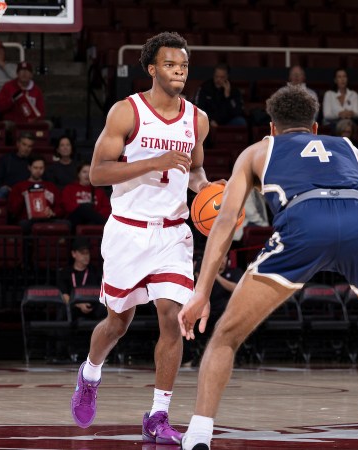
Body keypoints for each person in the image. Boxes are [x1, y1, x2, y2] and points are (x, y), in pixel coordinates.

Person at [178, 85, 358, 450]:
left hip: (305, 224)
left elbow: (224, 222)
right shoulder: (350, 149)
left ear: (272, 128)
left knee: (226, 336)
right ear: (315, 128)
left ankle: (199, 437)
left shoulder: (258, 151)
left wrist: (202, 292)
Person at [69, 32, 212, 445]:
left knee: (174, 318)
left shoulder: (197, 119)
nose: (179, 72)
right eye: (170, 65)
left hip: (172, 233)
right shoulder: (126, 112)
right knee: (118, 323)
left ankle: (159, 414)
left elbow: (195, 172)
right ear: (152, 69)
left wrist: (208, 192)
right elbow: (97, 173)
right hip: (129, 230)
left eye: (183, 65)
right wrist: (155, 162)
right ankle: (90, 373)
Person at [7, 154, 64, 233]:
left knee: (66, 224)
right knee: (23, 225)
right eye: (35, 168)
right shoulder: (19, 187)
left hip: (48, 219)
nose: (38, 171)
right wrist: (23, 197)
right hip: (28, 220)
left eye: (41, 168)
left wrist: (53, 212)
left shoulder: (51, 187)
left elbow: (60, 207)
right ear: (29, 168)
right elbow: (13, 210)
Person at [57, 236, 104, 319]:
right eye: (82, 253)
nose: (86, 256)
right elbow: (64, 296)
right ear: (73, 254)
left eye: (87, 253)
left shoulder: (95, 272)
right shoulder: (65, 273)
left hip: (92, 306)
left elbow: (101, 293)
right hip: (73, 307)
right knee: (64, 310)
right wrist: (79, 304)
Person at [61, 162, 111, 231]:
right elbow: (67, 205)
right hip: (75, 218)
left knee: (89, 216)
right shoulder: (69, 188)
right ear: (78, 174)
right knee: (83, 208)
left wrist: (91, 214)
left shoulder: (99, 191)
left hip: (94, 220)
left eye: (90, 172)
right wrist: (85, 211)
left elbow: (106, 208)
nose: (87, 175)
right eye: (84, 172)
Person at [0, 61, 48, 128]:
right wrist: (12, 100)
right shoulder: (8, 86)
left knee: (47, 124)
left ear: (31, 75)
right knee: (5, 125)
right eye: (22, 71)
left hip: (32, 123)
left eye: (27, 71)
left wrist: (35, 119)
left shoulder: (36, 90)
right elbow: (0, 107)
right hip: (13, 122)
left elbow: (41, 112)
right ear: (17, 74)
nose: (24, 73)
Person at [194, 62, 246, 127]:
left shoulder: (234, 90)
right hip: (209, 121)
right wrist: (210, 120)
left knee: (240, 121)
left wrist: (228, 97)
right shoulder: (205, 87)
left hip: (227, 121)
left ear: (227, 76)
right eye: (216, 76)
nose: (218, 79)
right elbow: (198, 108)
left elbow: (238, 111)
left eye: (222, 77)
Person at [0, 132, 35, 198]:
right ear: (18, 144)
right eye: (24, 145)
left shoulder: (33, 161)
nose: (26, 149)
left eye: (29, 146)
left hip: (27, 192)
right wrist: (5, 187)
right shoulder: (6, 159)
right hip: (10, 191)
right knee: (3, 190)